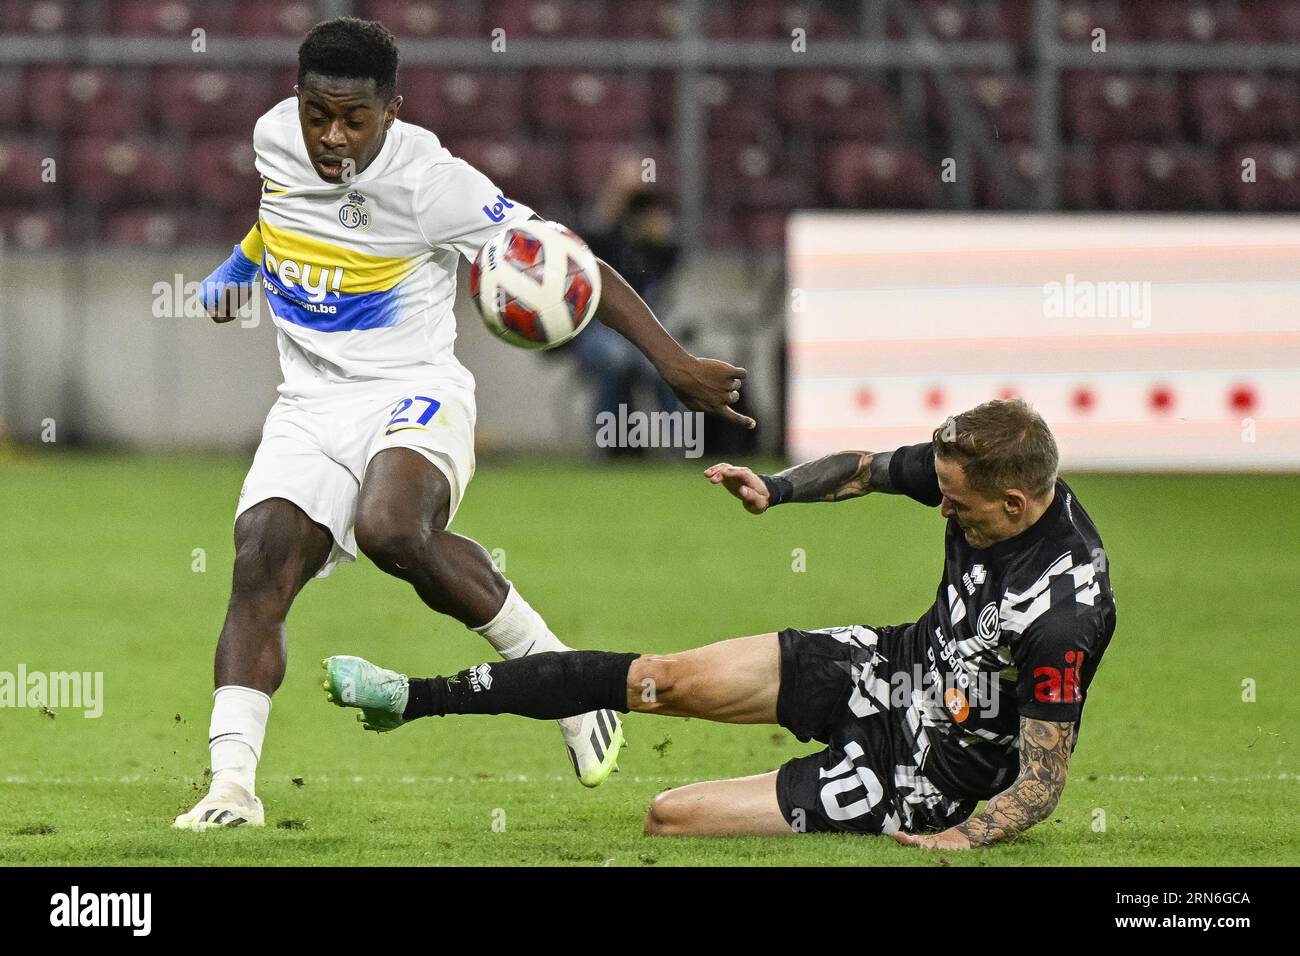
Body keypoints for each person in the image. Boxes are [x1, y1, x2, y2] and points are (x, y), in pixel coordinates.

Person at [174, 17, 754, 831]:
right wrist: (230, 277)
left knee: (388, 529)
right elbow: (277, 216)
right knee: (259, 559)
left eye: (355, 119)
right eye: (318, 114)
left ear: (393, 111)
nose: (332, 136)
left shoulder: (435, 182)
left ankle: (560, 679)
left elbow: (569, 260)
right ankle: (231, 788)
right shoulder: (275, 135)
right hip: (309, 405)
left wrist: (674, 363)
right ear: (296, 102)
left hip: (417, 390)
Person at [323, 399, 1117, 848]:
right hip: (888, 665)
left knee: (669, 817)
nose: (941, 506)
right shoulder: (984, 471)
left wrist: (967, 838)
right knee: (658, 678)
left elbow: (1042, 781)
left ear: (1016, 505)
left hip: (921, 774)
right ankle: (414, 697)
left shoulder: (1062, 615)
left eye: (958, 503)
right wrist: (779, 489)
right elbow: (872, 469)